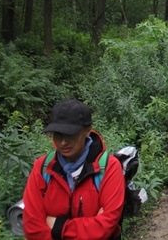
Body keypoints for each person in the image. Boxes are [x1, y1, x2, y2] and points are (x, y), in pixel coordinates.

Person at [22, 99, 125, 239]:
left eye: (70, 134)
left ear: (88, 131)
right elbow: (32, 228)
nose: (63, 142)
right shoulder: (42, 167)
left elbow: (106, 226)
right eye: (58, 134)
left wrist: (58, 226)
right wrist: (90, 225)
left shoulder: (108, 167)